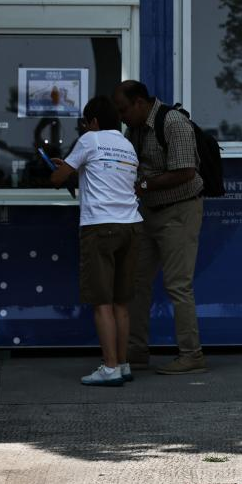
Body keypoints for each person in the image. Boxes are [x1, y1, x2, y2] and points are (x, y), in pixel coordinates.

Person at [114, 80, 207, 375]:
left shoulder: (173, 123)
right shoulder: (135, 129)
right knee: (136, 282)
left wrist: (144, 185)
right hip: (148, 212)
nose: (121, 117)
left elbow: (185, 172)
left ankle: (191, 354)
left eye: (124, 110)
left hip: (179, 211)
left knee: (178, 285)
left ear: (140, 103)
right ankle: (136, 351)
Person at [49, 95, 142, 387]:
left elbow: (57, 179)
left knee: (102, 302)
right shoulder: (126, 145)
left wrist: (60, 168)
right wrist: (73, 167)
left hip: (100, 226)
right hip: (131, 225)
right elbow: (105, 175)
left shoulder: (90, 140)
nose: (84, 127)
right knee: (121, 303)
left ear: (94, 121)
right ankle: (123, 364)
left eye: (85, 123)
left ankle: (109, 368)